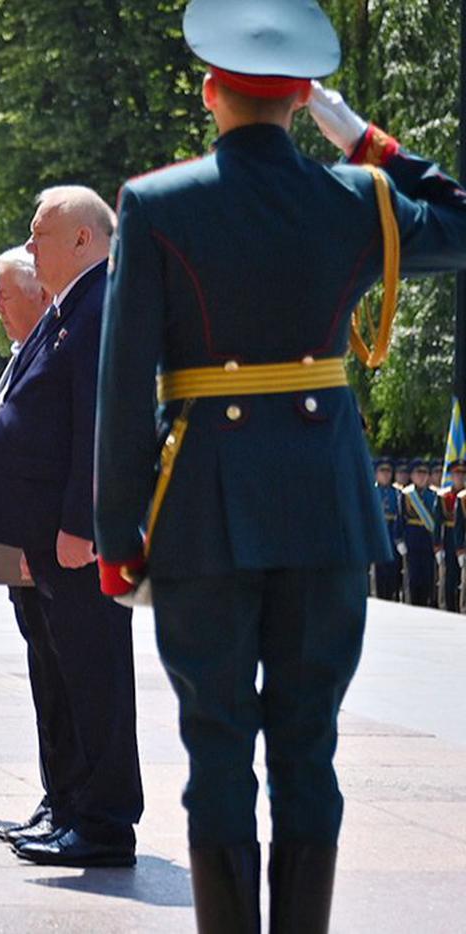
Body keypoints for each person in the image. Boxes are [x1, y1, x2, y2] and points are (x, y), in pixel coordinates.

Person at [92, 0, 466, 926]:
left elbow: (123, 379)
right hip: (324, 508)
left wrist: (116, 532)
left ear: (212, 92)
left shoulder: (156, 202)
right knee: (309, 745)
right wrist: (364, 137)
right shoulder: (356, 198)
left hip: (201, 507)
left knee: (217, 748)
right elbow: (461, 220)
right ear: (301, 98)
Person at [0, 191, 143, 869]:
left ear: (81, 239)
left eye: (40, 235)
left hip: (77, 540)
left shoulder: (102, 306)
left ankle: (104, 824)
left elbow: (102, 427)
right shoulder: (71, 307)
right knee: (66, 677)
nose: (30, 246)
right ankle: (71, 806)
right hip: (47, 539)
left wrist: (81, 524)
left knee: (95, 679)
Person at [401, 459, 442, 607]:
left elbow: (438, 521)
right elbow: (401, 518)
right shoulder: (406, 494)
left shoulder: (435, 495)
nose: (422, 477)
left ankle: (427, 602)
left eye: (425, 473)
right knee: (414, 575)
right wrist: (399, 539)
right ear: (411, 476)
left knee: (428, 575)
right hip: (412, 539)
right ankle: (414, 603)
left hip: (428, 540)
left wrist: (439, 541)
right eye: (418, 473)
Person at [371, 457, 404, 601]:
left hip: (392, 532)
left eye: (388, 471)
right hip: (377, 532)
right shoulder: (371, 491)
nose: (385, 474)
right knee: (378, 570)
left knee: (393, 568)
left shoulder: (397, 493)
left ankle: (394, 594)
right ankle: (379, 595)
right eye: (382, 471)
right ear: (376, 473)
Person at [440, 459, 465, 611]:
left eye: (463, 474)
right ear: (451, 476)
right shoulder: (444, 496)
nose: (460, 477)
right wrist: (438, 546)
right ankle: (450, 608)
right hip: (449, 539)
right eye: (457, 474)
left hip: (464, 538)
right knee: (451, 576)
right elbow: (438, 522)